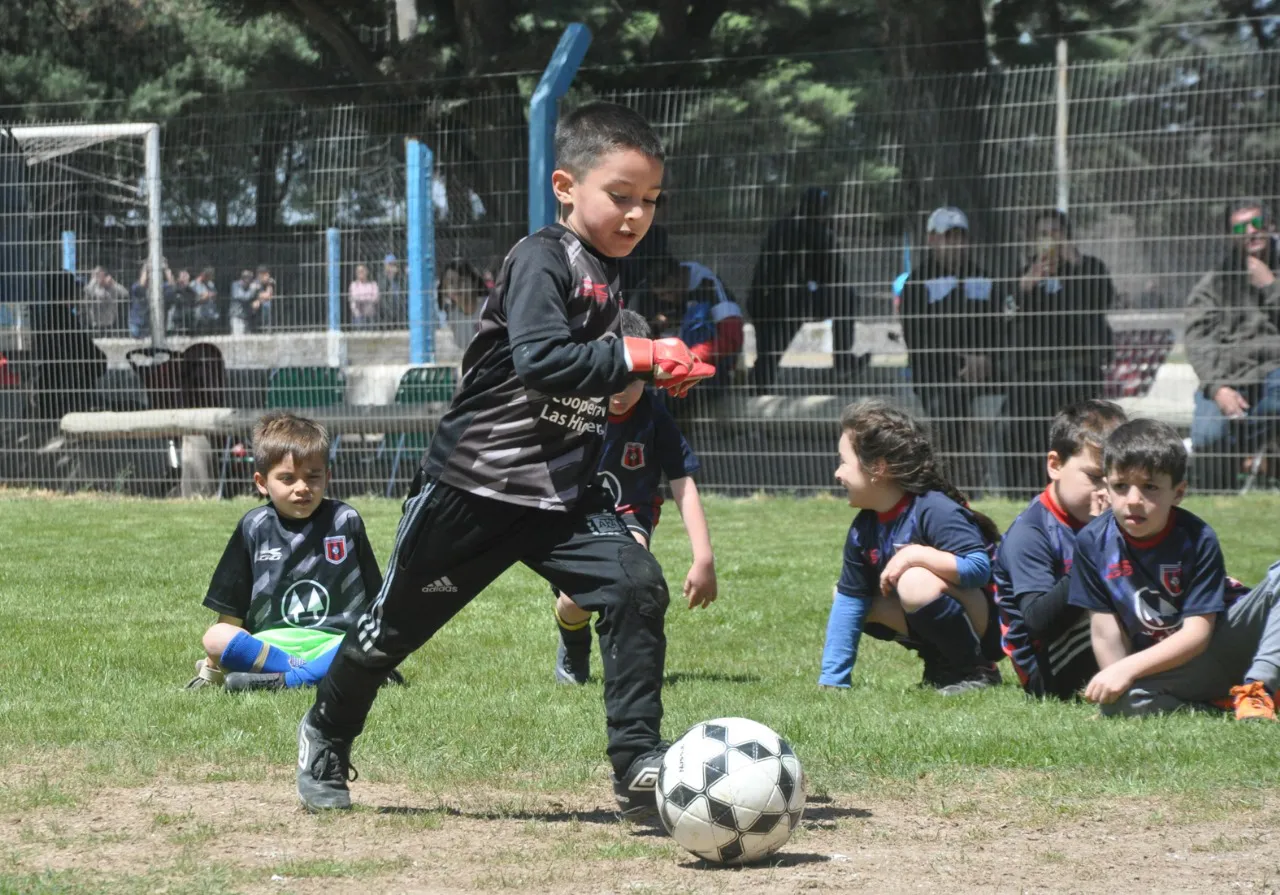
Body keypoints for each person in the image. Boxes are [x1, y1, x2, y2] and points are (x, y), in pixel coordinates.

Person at [293, 102, 714, 815]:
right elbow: (543, 358)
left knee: (636, 582)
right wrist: (641, 352)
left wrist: (649, 372)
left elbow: (594, 372)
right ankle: (326, 731)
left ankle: (638, 762)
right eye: (620, 195)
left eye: (649, 200)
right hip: (472, 489)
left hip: (563, 499)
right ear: (565, 186)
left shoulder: (613, 276)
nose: (637, 214)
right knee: (386, 633)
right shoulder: (541, 257)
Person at [1068, 418, 1280, 720]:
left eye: (1150, 487)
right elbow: (1105, 630)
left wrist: (1128, 668)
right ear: (1107, 485)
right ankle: (1218, 704)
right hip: (1170, 670)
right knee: (1120, 706)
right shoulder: (1091, 541)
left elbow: (1197, 634)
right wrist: (1115, 682)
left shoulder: (1197, 537)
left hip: (1223, 644)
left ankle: (1258, 689)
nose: (1133, 501)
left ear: (1178, 493)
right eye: (1121, 486)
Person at [554, 309, 718, 685]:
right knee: (573, 600)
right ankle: (573, 644)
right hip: (574, 519)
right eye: (609, 378)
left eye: (631, 381)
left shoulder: (653, 415)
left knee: (631, 576)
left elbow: (682, 482)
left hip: (629, 516)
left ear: (650, 376)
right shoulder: (573, 409)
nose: (619, 391)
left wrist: (703, 557)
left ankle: (631, 670)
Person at [185, 412, 387, 693]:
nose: (302, 488)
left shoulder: (345, 520)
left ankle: (287, 680)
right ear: (262, 482)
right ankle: (310, 672)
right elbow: (232, 608)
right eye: (287, 478)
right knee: (216, 637)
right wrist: (211, 669)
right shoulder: (254, 526)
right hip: (271, 646)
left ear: (327, 477)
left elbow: (376, 603)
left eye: (312, 477)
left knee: (378, 637)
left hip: (333, 642)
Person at [818, 399, 1004, 695]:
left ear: (877, 468)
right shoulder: (862, 528)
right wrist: (833, 680)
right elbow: (850, 603)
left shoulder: (933, 509)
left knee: (915, 582)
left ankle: (977, 669)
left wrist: (917, 555)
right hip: (944, 607)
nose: (838, 474)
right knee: (848, 598)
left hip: (991, 622)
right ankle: (941, 663)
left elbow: (978, 570)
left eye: (843, 462)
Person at [994, 399, 1127, 699]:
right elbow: (1038, 622)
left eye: (1117, 479)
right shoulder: (1031, 532)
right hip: (1048, 667)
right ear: (1055, 465)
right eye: (1094, 477)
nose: (1106, 491)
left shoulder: (1121, 517)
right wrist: (1096, 544)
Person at [1004, 210, 1117, 495]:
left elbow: (1102, 298)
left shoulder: (1089, 267)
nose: (1050, 239)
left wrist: (1073, 263)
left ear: (1068, 236)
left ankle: (1087, 488)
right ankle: (1036, 493)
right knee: (1033, 435)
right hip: (1036, 374)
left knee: (1084, 435)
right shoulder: (1026, 271)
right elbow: (1005, 311)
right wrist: (1026, 285)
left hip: (1080, 368)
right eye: (1044, 234)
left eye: (1056, 232)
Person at [898, 206, 1004, 494]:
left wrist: (987, 358)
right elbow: (918, 339)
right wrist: (963, 360)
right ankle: (945, 485)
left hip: (985, 371)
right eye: (948, 237)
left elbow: (1000, 327)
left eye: (960, 237)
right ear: (932, 239)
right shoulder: (916, 284)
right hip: (938, 375)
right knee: (946, 408)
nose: (955, 244)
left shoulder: (985, 278)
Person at [1184, 199, 1280, 489]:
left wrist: (1270, 286)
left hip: (1273, 372)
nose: (1251, 231)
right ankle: (1249, 458)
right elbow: (1197, 340)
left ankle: (1257, 455)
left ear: (1271, 226)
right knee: (1207, 438)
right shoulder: (1214, 283)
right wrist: (1217, 388)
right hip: (1228, 377)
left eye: (1257, 223)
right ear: (1231, 235)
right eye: (1241, 227)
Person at [748, 187, 856, 387]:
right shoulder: (818, 232)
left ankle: (759, 381)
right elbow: (836, 276)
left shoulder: (781, 226)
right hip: (792, 302)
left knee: (770, 354)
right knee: (845, 296)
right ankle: (843, 363)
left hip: (761, 301)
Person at [644, 256, 745, 388]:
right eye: (661, 295)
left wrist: (689, 357)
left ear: (681, 276)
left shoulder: (710, 287)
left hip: (706, 370)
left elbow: (732, 339)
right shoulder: (647, 291)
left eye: (671, 291)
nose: (668, 299)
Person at [437, 259, 488, 356]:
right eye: (450, 282)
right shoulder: (453, 316)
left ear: (474, 282)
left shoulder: (489, 307)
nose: (455, 287)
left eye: (461, 280)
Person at [128, 261, 175, 340]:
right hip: (137, 324)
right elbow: (141, 286)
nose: (149, 276)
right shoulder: (135, 286)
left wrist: (166, 269)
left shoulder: (158, 287)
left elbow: (172, 285)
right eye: (148, 273)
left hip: (150, 324)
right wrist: (146, 268)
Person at [79, 266, 127, 332]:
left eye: (99, 274)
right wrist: (92, 282)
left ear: (104, 275)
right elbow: (86, 295)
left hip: (110, 324)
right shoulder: (93, 287)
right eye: (95, 275)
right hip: (94, 324)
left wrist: (114, 284)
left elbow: (125, 294)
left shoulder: (112, 287)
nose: (97, 277)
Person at [229, 268, 263, 336]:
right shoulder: (236, 285)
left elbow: (259, 294)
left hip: (247, 316)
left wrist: (258, 300)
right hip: (237, 317)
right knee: (238, 338)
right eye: (249, 278)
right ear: (243, 278)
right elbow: (244, 297)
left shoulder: (251, 285)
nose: (250, 281)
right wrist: (252, 289)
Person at [379, 254, 407, 326]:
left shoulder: (400, 278)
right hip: (387, 312)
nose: (392, 266)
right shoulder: (381, 277)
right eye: (390, 264)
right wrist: (388, 276)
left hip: (400, 311)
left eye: (394, 264)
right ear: (385, 266)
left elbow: (405, 288)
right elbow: (383, 291)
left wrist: (401, 274)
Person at [190, 268, 221, 335]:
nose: (210, 279)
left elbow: (214, 295)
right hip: (199, 316)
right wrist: (206, 296)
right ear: (203, 275)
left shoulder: (210, 283)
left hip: (212, 314)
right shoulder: (193, 284)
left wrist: (206, 295)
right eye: (209, 277)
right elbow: (195, 300)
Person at [348, 263, 379, 329]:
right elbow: (354, 298)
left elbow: (376, 298)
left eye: (362, 271)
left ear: (367, 271)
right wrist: (368, 298)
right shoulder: (353, 285)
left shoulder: (373, 284)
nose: (360, 273)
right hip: (358, 315)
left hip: (370, 315)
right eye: (358, 271)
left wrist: (361, 298)